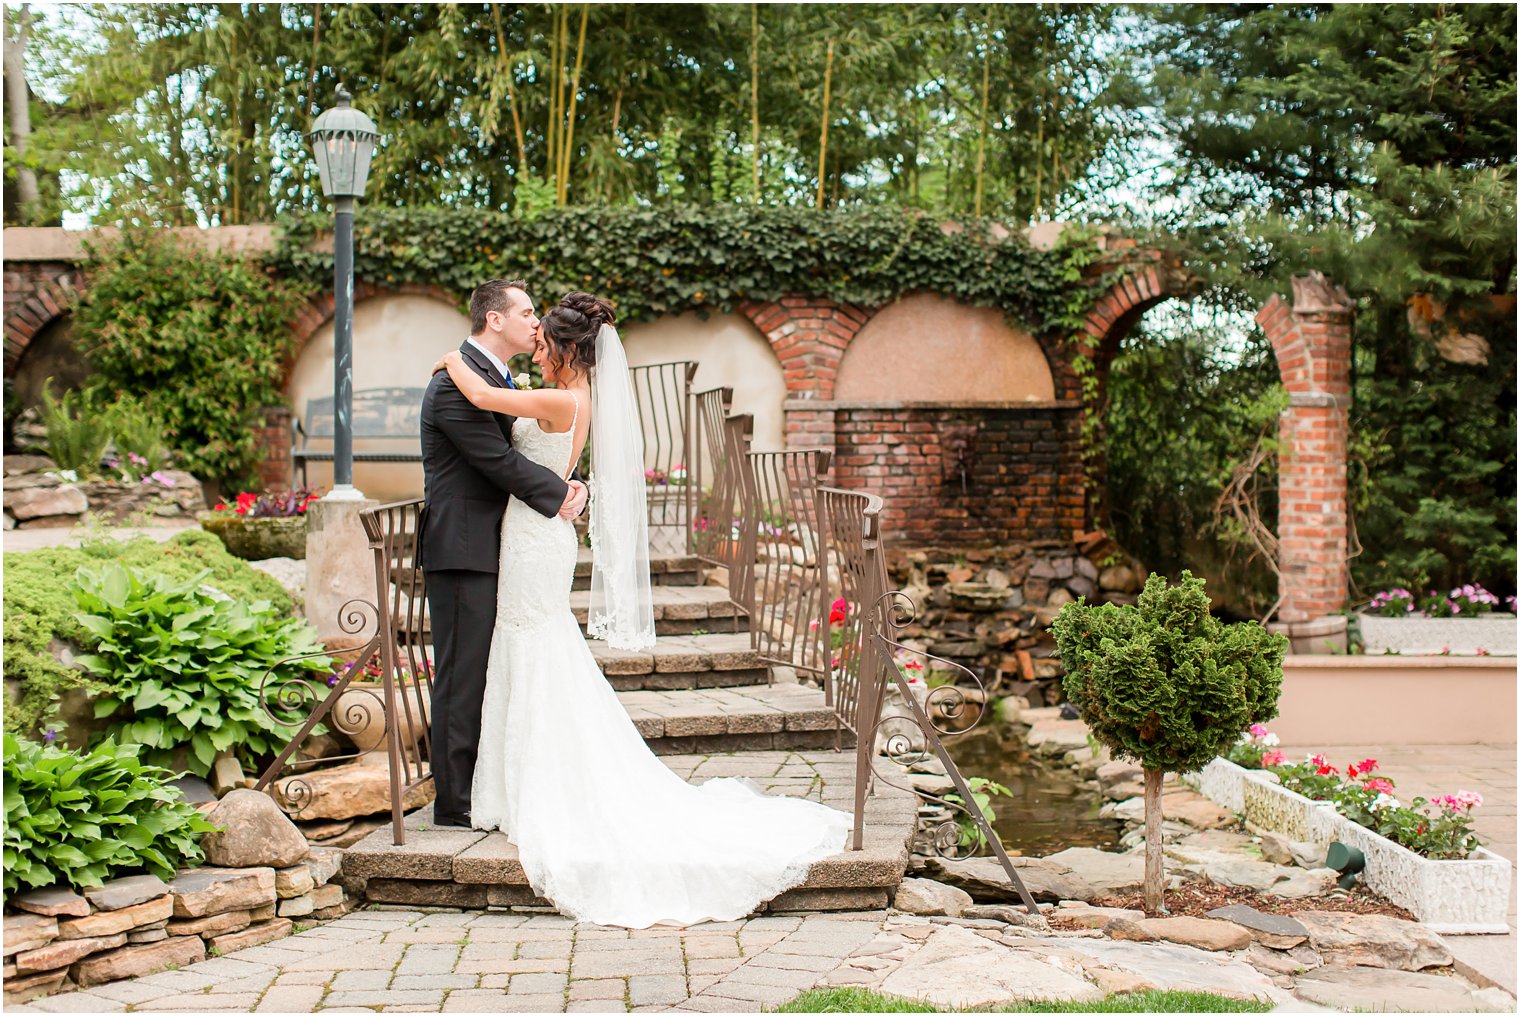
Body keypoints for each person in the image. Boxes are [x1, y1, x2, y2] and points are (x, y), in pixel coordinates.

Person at [431, 291, 851, 928]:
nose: (536, 345)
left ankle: (515, 788)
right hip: (528, 533)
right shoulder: (574, 396)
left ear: (566, 350)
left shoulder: (557, 397)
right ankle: (504, 784)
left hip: (531, 535)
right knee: (529, 651)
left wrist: (450, 363)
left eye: (544, 340)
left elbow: (490, 408)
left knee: (532, 649)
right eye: (531, 330)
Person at [418, 279, 588, 829]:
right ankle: (455, 803)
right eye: (527, 312)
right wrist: (559, 493)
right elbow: (496, 459)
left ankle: (490, 785)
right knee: (462, 674)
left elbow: (532, 440)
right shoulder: (453, 384)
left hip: (503, 543)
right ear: (495, 320)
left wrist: (572, 484)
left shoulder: (493, 379)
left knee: (490, 670)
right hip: (464, 547)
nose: (536, 322)